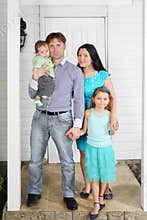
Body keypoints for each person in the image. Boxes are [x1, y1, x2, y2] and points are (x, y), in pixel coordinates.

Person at [26, 32, 84, 210]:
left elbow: (79, 99)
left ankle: (68, 194)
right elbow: (31, 94)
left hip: (62, 119)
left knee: (67, 160)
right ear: (47, 48)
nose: (54, 48)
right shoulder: (41, 65)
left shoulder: (74, 71)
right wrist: (36, 77)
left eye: (58, 44)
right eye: (51, 45)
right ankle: (34, 191)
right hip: (40, 117)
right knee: (35, 159)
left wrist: (77, 125)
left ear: (65, 46)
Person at [76, 43, 118, 199]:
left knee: (100, 154)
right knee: (84, 153)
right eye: (79, 55)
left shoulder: (102, 75)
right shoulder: (76, 74)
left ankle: (104, 187)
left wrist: (113, 116)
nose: (82, 58)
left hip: (100, 119)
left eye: (85, 55)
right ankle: (88, 184)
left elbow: (112, 98)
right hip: (82, 118)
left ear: (93, 57)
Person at [80, 86, 116, 220]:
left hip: (105, 148)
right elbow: (84, 130)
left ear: (108, 101)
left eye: (105, 99)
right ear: (94, 99)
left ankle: (101, 197)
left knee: (104, 176)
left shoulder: (109, 114)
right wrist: (77, 132)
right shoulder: (88, 113)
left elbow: (111, 132)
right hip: (91, 148)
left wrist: (114, 129)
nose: (102, 101)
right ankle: (96, 204)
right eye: (99, 98)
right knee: (94, 177)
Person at [32, 40, 55, 107]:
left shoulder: (48, 58)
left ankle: (44, 94)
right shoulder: (39, 59)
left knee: (49, 86)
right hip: (43, 77)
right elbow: (36, 68)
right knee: (43, 87)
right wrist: (36, 76)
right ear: (37, 53)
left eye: (46, 51)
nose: (45, 53)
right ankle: (38, 98)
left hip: (48, 76)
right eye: (42, 52)